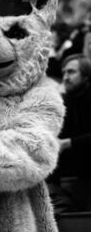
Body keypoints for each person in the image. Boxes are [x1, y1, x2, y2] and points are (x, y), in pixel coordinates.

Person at [48, 54, 91, 213]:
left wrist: (68, 143)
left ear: (86, 76)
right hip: (69, 179)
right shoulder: (63, 102)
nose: (65, 77)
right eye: (64, 72)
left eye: (71, 72)